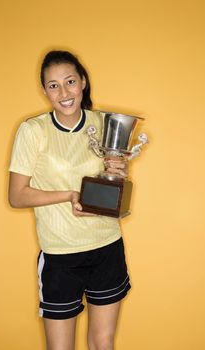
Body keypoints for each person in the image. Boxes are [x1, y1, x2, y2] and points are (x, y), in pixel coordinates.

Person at [8, 50, 131, 350]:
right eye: (53, 85)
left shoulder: (104, 122)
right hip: (61, 255)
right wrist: (69, 195)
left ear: (83, 82)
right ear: (45, 91)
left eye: (70, 81)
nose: (63, 92)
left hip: (106, 247)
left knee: (103, 343)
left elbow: (112, 186)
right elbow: (17, 195)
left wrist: (119, 172)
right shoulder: (33, 130)